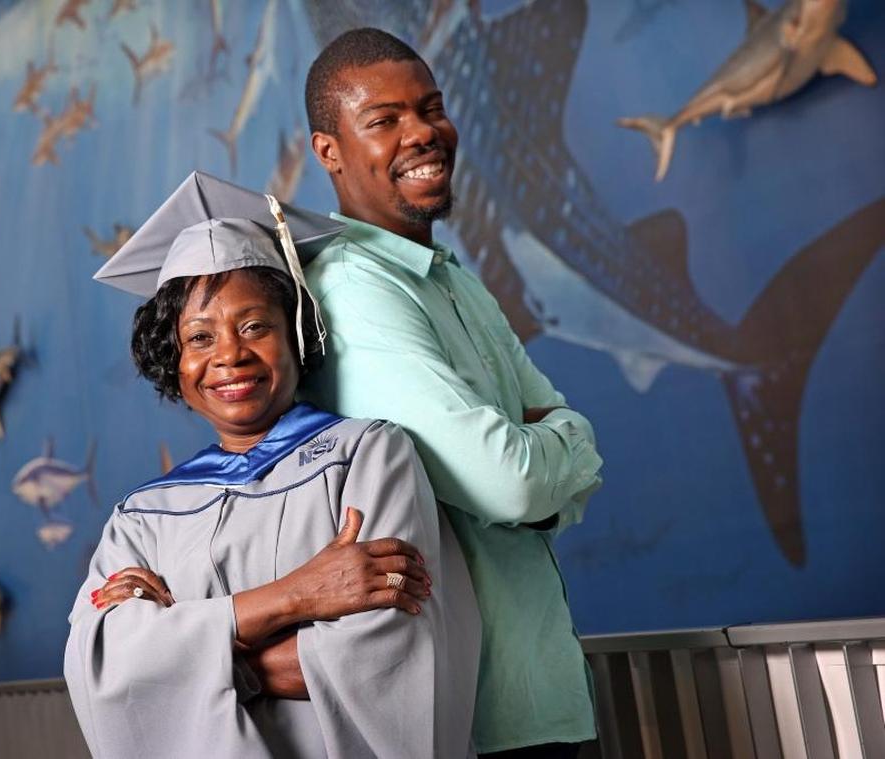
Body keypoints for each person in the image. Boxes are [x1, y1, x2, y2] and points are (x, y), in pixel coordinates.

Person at [65, 172, 481, 758]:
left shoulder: (366, 457)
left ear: (297, 333)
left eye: (255, 327)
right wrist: (298, 596)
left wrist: (194, 659)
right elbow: (105, 667)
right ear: (175, 361)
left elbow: (387, 650)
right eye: (199, 338)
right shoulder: (142, 518)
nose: (229, 355)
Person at [300, 29, 604, 759]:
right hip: (473, 718)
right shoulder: (354, 286)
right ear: (329, 151)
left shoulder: (450, 276)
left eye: (431, 107)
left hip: (547, 697)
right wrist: (560, 446)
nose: (424, 133)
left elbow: (547, 463)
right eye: (384, 120)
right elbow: (511, 483)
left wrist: (553, 456)